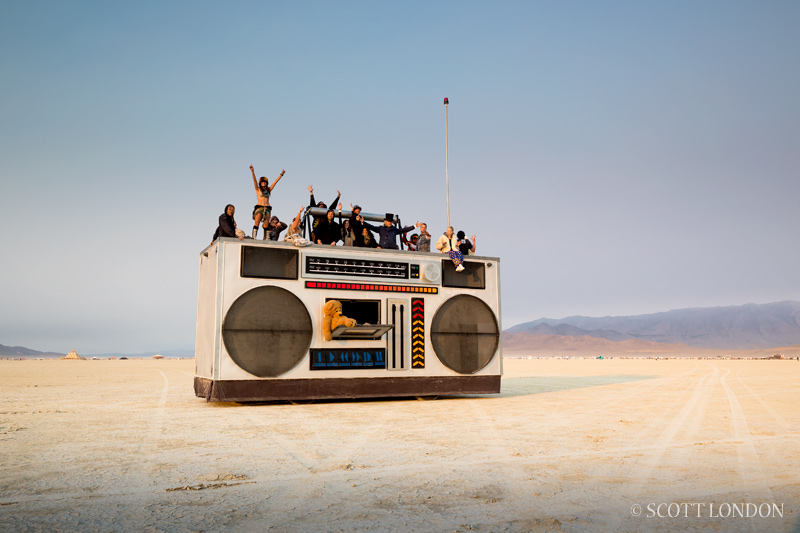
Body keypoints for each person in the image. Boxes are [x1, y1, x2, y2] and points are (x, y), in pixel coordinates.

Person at [251, 165, 285, 239]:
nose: (264, 183)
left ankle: (266, 238)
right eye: (262, 182)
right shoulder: (258, 189)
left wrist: (281, 175)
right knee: (257, 222)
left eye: (265, 182)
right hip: (259, 207)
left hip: (267, 208)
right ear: (260, 183)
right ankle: (254, 237)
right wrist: (252, 171)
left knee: (266, 224)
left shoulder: (269, 190)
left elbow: (275, 182)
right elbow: (254, 180)